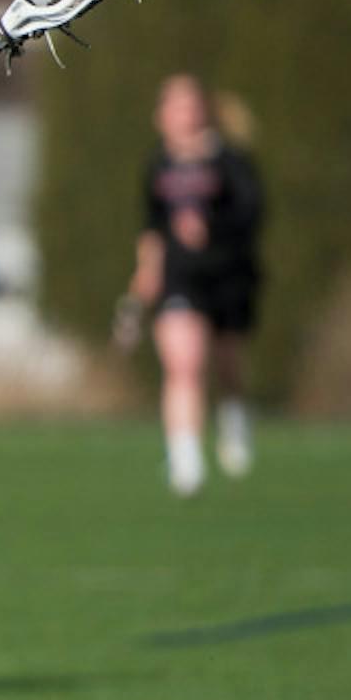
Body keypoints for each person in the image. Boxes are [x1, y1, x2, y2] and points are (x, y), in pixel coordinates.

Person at [123, 73, 262, 497]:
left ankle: (233, 417)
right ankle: (186, 460)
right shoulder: (158, 166)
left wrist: (211, 228)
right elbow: (152, 225)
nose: (181, 114)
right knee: (183, 364)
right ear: (161, 115)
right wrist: (146, 272)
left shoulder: (229, 161)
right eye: (174, 105)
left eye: (189, 105)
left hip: (226, 275)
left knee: (227, 363)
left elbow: (251, 212)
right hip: (180, 278)